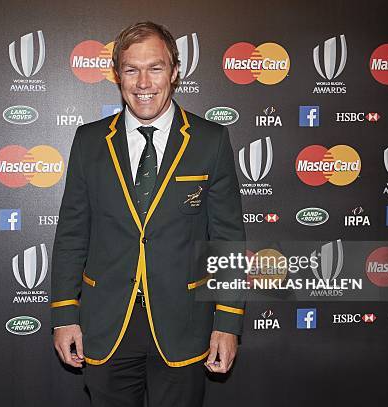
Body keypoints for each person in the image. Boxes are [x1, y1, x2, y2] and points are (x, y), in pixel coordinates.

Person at [51, 21, 246, 407]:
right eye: (131, 69)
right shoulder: (89, 141)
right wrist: (63, 315)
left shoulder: (211, 140)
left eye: (155, 68)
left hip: (184, 325)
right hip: (106, 325)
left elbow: (227, 240)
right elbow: (73, 234)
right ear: (117, 75)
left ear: (174, 72)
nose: (143, 83)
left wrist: (228, 324)